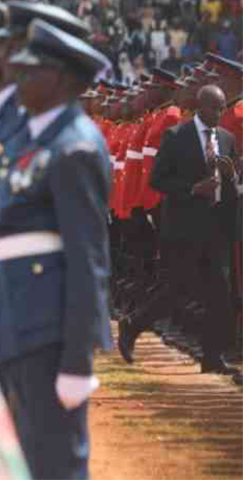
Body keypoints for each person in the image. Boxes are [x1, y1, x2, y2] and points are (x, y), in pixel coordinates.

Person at [0, 19, 113, 479]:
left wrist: (78, 358)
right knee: (26, 460)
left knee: (57, 464)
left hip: (48, 335)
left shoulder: (75, 146)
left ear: (64, 80)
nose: (20, 78)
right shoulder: (39, 139)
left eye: (33, 71)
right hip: (18, 323)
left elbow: (87, 258)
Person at [119, 84, 240, 375]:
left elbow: (232, 187)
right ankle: (133, 324)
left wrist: (231, 175)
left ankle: (212, 358)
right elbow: (158, 180)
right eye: (214, 108)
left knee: (218, 294)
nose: (219, 114)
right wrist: (192, 189)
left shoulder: (226, 138)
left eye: (222, 108)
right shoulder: (177, 136)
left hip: (215, 228)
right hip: (184, 228)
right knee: (177, 289)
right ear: (201, 106)